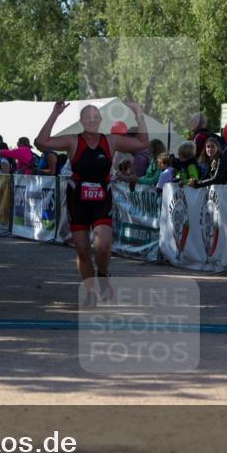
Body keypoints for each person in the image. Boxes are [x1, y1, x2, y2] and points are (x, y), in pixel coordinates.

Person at [34, 99, 149, 302]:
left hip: (101, 199)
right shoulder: (72, 141)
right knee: (83, 250)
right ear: (81, 121)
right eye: (87, 117)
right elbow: (41, 143)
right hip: (77, 199)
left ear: (101, 120)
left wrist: (138, 114)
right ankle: (89, 291)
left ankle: (103, 277)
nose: (92, 120)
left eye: (95, 117)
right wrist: (55, 115)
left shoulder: (110, 141)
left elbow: (143, 144)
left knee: (103, 246)